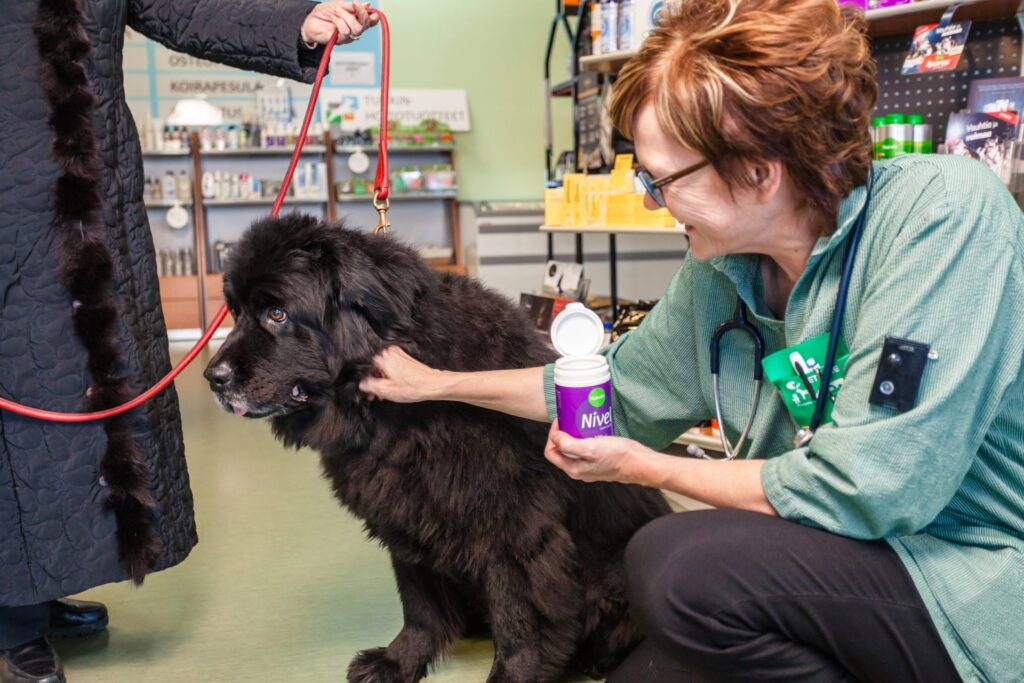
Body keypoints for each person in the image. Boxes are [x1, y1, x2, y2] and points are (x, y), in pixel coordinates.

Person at [358, 0, 1024, 680]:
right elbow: (616, 391)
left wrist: (647, 468)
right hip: (822, 557)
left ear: (758, 169)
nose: (649, 198)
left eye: (661, 179)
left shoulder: (942, 218)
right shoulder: (722, 271)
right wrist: (436, 384)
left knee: (672, 564)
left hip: (954, 571)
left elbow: (869, 488)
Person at [0, 2, 375, 682]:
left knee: (79, 390)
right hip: (7, 209)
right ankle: (11, 613)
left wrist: (295, 25)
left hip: (95, 202)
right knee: (19, 400)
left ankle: (42, 584)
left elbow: (184, 5)